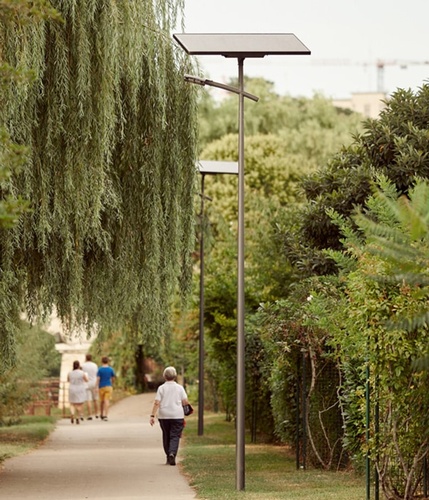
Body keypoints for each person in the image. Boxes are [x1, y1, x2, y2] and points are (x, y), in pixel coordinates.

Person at [149, 366, 190, 466]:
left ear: (164, 376)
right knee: (175, 436)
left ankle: (168, 456)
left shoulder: (161, 388)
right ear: (175, 376)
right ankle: (172, 453)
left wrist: (152, 415)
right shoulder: (180, 388)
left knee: (166, 435)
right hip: (177, 416)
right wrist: (186, 409)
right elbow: (185, 401)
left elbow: (157, 402)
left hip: (164, 416)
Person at [97, 356, 115, 421]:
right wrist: (112, 383)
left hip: (101, 386)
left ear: (102, 361)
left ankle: (101, 414)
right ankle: (106, 415)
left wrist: (96, 386)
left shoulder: (100, 369)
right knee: (107, 400)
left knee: (102, 401)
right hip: (108, 386)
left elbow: (98, 379)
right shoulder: (111, 369)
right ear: (108, 361)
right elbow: (113, 378)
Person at [81, 353, 99, 420]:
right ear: (91, 358)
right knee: (95, 399)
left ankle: (90, 415)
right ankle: (97, 414)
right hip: (94, 382)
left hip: (87, 383)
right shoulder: (95, 365)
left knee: (88, 400)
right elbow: (97, 374)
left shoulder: (83, 365)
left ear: (86, 358)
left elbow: (82, 374)